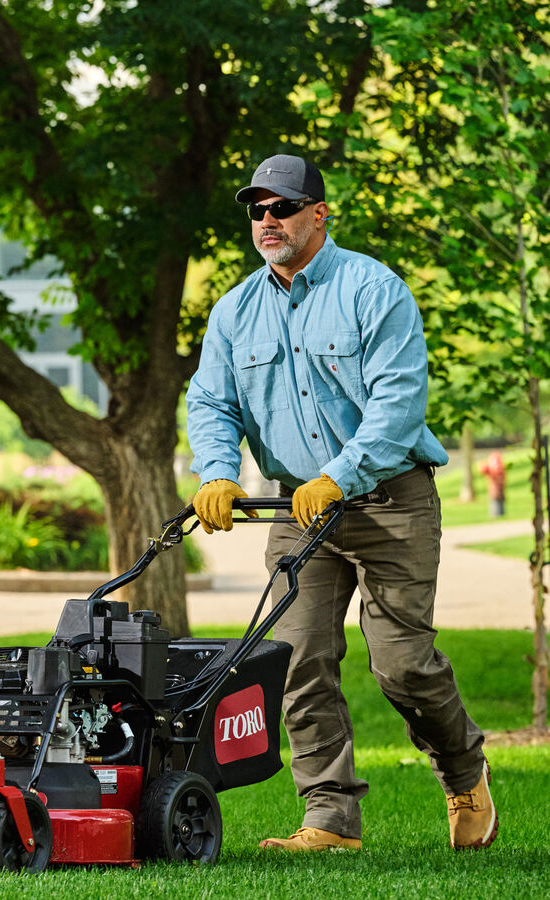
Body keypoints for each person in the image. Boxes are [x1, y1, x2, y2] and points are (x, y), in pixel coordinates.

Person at [185, 153, 497, 852]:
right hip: (299, 513)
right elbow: (211, 400)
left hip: (390, 500)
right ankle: (329, 817)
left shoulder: (372, 289)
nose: (268, 221)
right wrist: (216, 470)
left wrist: (342, 472)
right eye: (257, 210)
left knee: (403, 665)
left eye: (283, 208)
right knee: (293, 660)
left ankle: (463, 769)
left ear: (318, 214)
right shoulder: (234, 310)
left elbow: (396, 404)